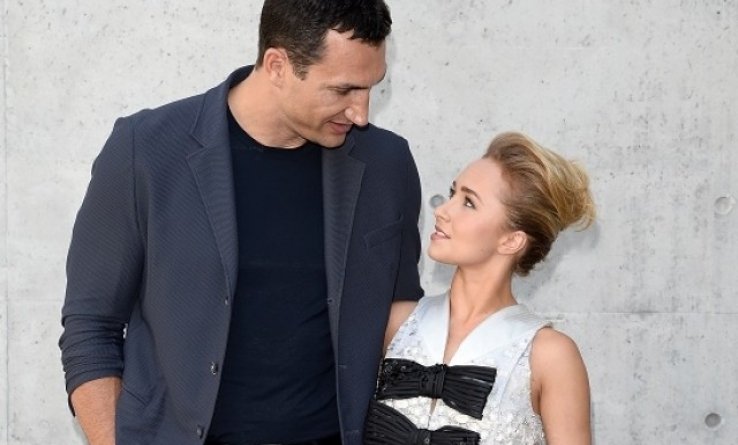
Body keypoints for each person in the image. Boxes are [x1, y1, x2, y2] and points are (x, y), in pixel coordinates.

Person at [58, 1, 424, 444]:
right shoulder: (147, 151)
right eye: (343, 90)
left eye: (371, 88)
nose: (361, 112)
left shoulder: (387, 164)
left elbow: (403, 329)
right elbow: (91, 327)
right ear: (277, 65)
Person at [364, 132, 594, 445]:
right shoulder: (396, 323)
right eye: (453, 193)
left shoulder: (550, 356)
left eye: (469, 202)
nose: (442, 210)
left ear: (511, 240)